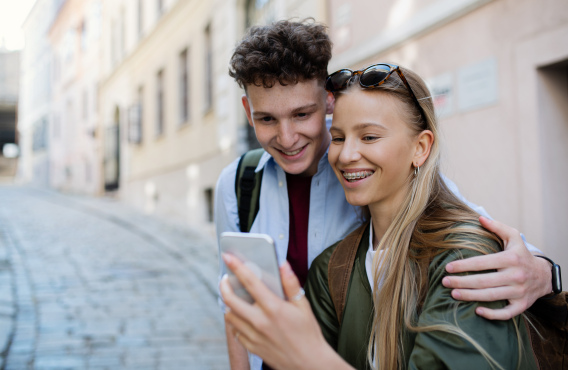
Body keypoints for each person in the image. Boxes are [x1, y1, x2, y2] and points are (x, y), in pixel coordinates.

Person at [215, 20, 553, 370]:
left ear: (327, 103)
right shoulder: (238, 185)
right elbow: (234, 301)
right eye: (267, 119)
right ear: (247, 112)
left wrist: (545, 272)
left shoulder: (368, 172)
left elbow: (463, 220)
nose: (286, 138)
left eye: (302, 114)